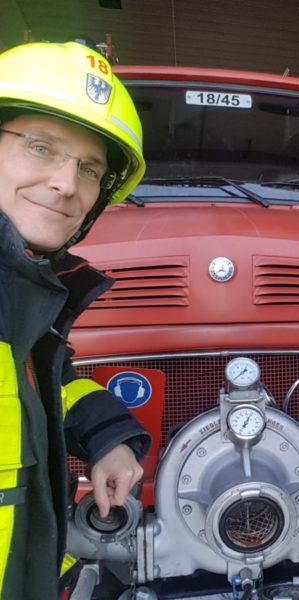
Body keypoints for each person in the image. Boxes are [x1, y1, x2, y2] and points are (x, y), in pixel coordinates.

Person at [0, 41, 151, 598]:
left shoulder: (26, 295)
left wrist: (109, 436)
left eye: (90, 168)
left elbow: (37, 387)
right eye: (41, 147)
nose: (66, 183)